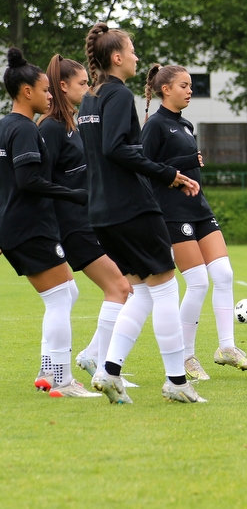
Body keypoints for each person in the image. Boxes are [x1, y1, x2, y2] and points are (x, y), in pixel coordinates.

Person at [78, 22, 206, 404]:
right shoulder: (117, 94)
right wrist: (170, 175)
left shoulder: (89, 99)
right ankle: (176, 381)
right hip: (131, 208)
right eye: (131, 50)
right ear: (116, 58)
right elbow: (118, 148)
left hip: (101, 212)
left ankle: (108, 370)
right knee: (166, 289)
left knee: (141, 294)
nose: (136, 56)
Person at [141, 63, 247, 380]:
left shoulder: (187, 125)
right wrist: (185, 163)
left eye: (191, 85)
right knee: (198, 282)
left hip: (199, 209)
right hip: (172, 213)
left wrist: (190, 167)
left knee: (224, 274)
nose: (190, 90)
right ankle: (185, 357)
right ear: (166, 89)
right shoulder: (154, 126)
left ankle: (227, 347)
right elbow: (145, 168)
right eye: (184, 85)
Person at [0, 48, 99, 398]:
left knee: (67, 292)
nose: (48, 96)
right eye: (44, 91)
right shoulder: (25, 129)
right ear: (27, 92)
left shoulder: (4, 126)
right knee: (60, 297)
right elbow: (28, 181)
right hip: (30, 226)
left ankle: (47, 370)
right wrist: (74, 195)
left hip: (15, 226)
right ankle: (61, 379)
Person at [38, 54, 132, 383]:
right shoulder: (49, 127)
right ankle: (102, 368)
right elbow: (38, 183)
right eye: (82, 84)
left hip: (87, 221)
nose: (88, 89)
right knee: (120, 288)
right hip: (72, 226)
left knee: (118, 288)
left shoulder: (71, 124)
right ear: (62, 87)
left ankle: (80, 364)